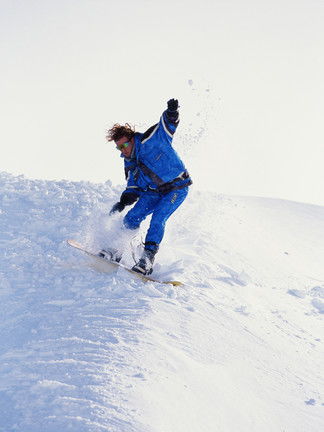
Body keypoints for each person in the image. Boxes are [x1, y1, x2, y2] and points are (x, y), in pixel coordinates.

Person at [104, 99, 192, 275]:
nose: (123, 150)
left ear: (132, 140)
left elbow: (167, 125)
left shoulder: (152, 140)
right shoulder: (129, 162)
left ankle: (147, 259)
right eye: (119, 148)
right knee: (132, 217)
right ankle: (116, 251)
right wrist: (124, 201)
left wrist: (172, 112)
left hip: (177, 187)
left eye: (125, 145)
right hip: (153, 192)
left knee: (158, 219)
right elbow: (133, 185)